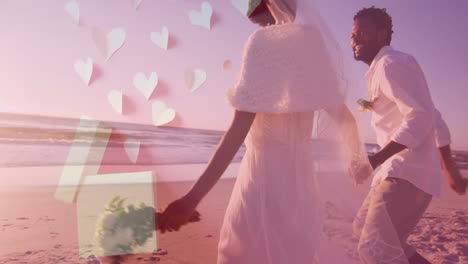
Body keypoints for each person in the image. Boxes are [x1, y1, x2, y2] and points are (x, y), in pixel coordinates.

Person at [158, 0, 367, 263]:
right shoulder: (312, 42)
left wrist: (192, 198)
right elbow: (345, 119)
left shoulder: (262, 43)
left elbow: (237, 130)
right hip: (301, 184)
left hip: (261, 179)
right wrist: (357, 157)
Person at [350, 6, 467, 264]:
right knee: (366, 234)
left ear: (382, 35)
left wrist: (374, 159)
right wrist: (450, 171)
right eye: (352, 35)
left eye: (362, 33)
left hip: (407, 173)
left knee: (374, 249)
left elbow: (421, 116)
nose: (354, 40)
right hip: (398, 171)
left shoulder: (392, 63)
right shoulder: (381, 68)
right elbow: (435, 119)